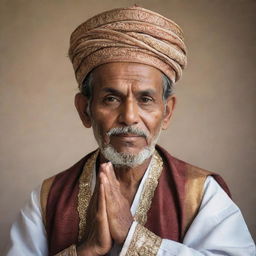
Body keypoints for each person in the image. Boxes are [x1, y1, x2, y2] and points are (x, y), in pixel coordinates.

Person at [5, 6, 255, 256]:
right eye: (111, 98)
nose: (130, 117)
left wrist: (133, 238)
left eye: (145, 99)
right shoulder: (48, 199)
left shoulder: (201, 194)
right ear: (85, 109)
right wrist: (86, 251)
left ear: (166, 112)